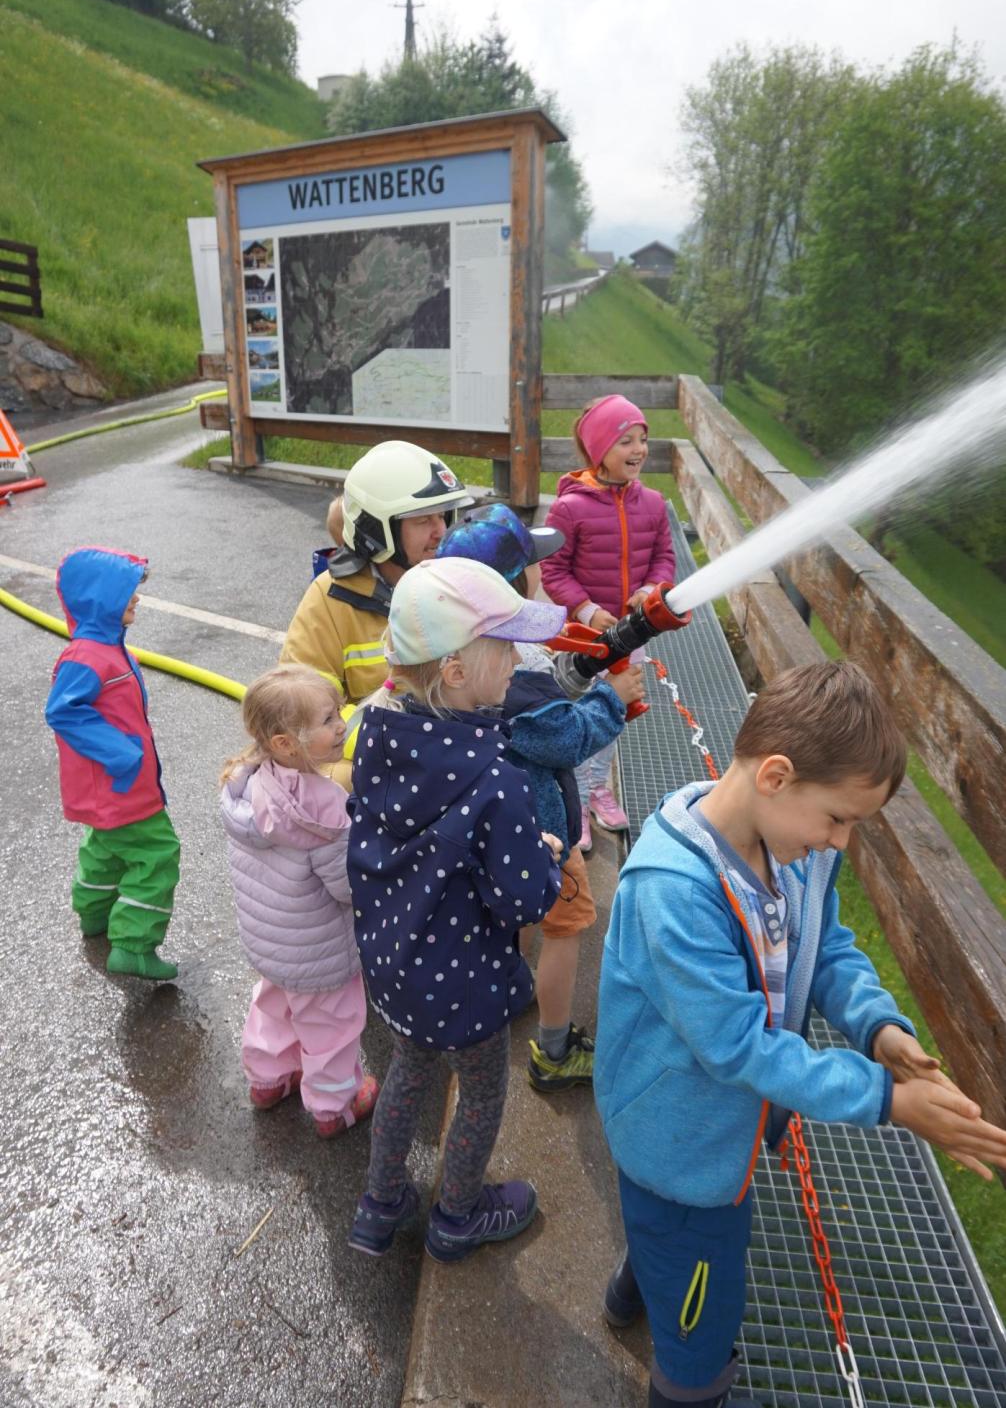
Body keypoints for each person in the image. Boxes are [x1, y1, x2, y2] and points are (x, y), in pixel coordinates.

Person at [593, 661, 1006, 1408]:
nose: (842, 843)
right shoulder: (675, 893)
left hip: (714, 1143)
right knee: (697, 1332)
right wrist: (889, 1101)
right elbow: (740, 1049)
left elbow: (828, 948)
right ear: (776, 776)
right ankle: (694, 1382)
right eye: (838, 818)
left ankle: (636, 1288)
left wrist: (878, 1027)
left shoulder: (793, 853)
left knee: (669, 1241)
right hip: (683, 1147)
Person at [346, 556, 567, 1263]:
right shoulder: (496, 780)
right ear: (455, 671)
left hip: (395, 962)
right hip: (461, 979)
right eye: (506, 646)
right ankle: (458, 1215)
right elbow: (524, 898)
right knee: (480, 1090)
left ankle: (379, 1207)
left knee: (409, 1072)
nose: (520, 658)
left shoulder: (378, 734)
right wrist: (544, 850)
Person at [437, 502, 645, 1092]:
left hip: (498, 826)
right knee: (567, 924)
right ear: (507, 588)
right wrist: (612, 699)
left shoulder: (478, 654)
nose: (541, 573)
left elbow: (546, 689)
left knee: (513, 916)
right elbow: (563, 737)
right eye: (532, 565)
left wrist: (578, 675)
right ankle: (554, 1048)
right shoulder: (511, 670)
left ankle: (507, 989)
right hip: (541, 831)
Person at [220, 665, 378, 1138]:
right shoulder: (322, 806)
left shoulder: (244, 782)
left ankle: (268, 1079)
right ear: (287, 743)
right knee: (331, 1021)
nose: (342, 724)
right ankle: (335, 1104)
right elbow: (346, 888)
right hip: (317, 945)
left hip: (270, 941)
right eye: (329, 719)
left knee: (273, 1003)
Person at [281, 439, 473, 786]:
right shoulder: (329, 598)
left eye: (443, 516)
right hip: (378, 763)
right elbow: (305, 715)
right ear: (376, 530)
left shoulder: (459, 583)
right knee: (324, 780)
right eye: (423, 520)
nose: (441, 532)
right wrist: (400, 746)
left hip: (457, 757)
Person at [541, 393, 675, 853]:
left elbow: (664, 558)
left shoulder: (654, 505)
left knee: (614, 711)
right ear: (599, 451)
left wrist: (651, 591)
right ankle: (572, 799)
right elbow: (554, 571)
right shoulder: (570, 509)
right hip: (583, 637)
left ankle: (599, 788)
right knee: (579, 715)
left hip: (630, 633)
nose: (638, 449)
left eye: (642, 439)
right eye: (625, 441)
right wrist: (586, 610)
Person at [44, 547, 180, 981]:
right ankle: (134, 946)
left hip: (111, 786)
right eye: (126, 593)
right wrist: (122, 753)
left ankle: (94, 913)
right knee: (158, 852)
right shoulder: (87, 656)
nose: (136, 600)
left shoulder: (105, 649)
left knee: (105, 849)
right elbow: (62, 711)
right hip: (122, 783)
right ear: (99, 599)